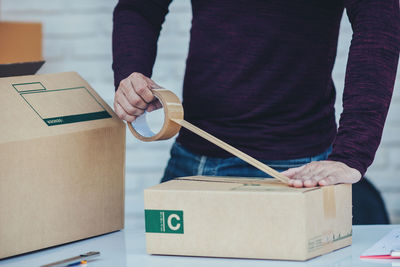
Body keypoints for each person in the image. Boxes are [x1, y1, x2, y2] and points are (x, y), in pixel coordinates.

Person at [112, 0, 399, 188]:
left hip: (296, 170)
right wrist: (131, 74)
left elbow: (379, 25)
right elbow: (138, 8)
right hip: (194, 158)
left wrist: (351, 154)